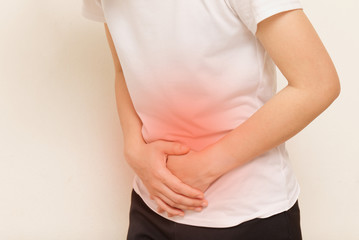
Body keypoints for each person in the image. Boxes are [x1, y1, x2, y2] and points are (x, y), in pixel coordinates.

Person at [81, 0, 340, 239]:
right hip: (151, 207)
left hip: (249, 217)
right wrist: (134, 148)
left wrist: (206, 166)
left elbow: (316, 84)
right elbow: (123, 68)